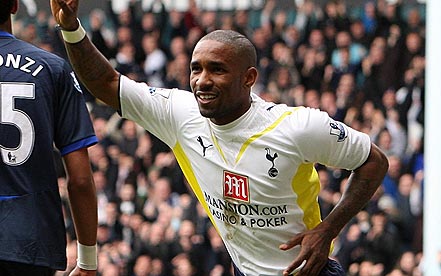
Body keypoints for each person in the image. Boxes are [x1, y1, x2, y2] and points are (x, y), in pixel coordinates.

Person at [50, 0, 389, 275]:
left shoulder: (296, 126)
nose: (201, 80)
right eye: (196, 68)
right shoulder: (179, 114)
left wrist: (328, 229)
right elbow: (107, 84)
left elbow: (373, 161)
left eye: (218, 69)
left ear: (249, 77)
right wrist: (70, 28)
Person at [0, 1, 98, 275]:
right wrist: (88, 260)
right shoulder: (53, 69)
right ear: (15, 6)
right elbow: (79, 180)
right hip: (30, 243)